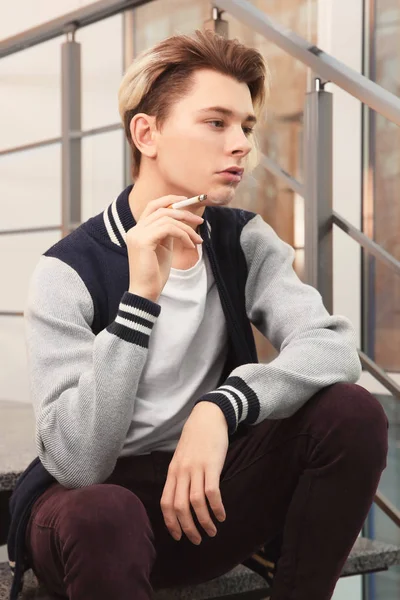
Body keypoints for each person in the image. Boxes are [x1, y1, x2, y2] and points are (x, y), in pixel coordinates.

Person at [7, 29, 388, 600]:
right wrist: (139, 300)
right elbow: (78, 462)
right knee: (103, 513)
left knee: (351, 413)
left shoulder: (242, 242)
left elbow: (332, 348)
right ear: (147, 132)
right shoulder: (69, 271)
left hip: (200, 497)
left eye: (246, 127)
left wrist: (222, 408)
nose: (240, 144)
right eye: (216, 122)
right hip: (91, 518)